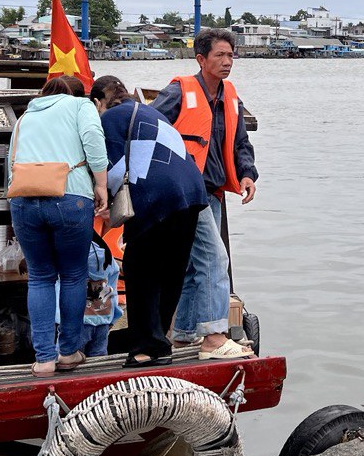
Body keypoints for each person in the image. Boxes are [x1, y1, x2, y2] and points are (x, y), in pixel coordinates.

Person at [151, 28, 258, 360]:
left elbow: (240, 142)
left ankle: (183, 335)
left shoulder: (230, 97)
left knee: (192, 265)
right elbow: (148, 129)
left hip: (211, 192)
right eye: (219, 56)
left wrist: (246, 174)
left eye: (230, 55)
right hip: (184, 192)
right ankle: (214, 337)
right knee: (215, 258)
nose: (227, 62)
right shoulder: (179, 91)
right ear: (201, 59)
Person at [94, 75, 209, 367]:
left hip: (157, 195)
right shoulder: (151, 111)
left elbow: (115, 168)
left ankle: (146, 348)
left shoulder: (109, 119)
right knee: (171, 270)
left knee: (140, 269)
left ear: (97, 102)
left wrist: (103, 201)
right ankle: (160, 343)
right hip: (193, 191)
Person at [6, 74, 109, 377]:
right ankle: (68, 352)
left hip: (23, 201)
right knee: (74, 275)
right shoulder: (81, 106)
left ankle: (44, 360)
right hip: (70, 197)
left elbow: (10, 163)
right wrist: (101, 183)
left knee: (39, 278)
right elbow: (93, 137)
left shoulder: (24, 117)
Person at [55, 226, 123, 357]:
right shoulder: (107, 257)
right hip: (103, 320)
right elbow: (112, 290)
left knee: (68, 359)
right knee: (98, 359)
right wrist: (113, 317)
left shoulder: (67, 257)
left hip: (75, 323)